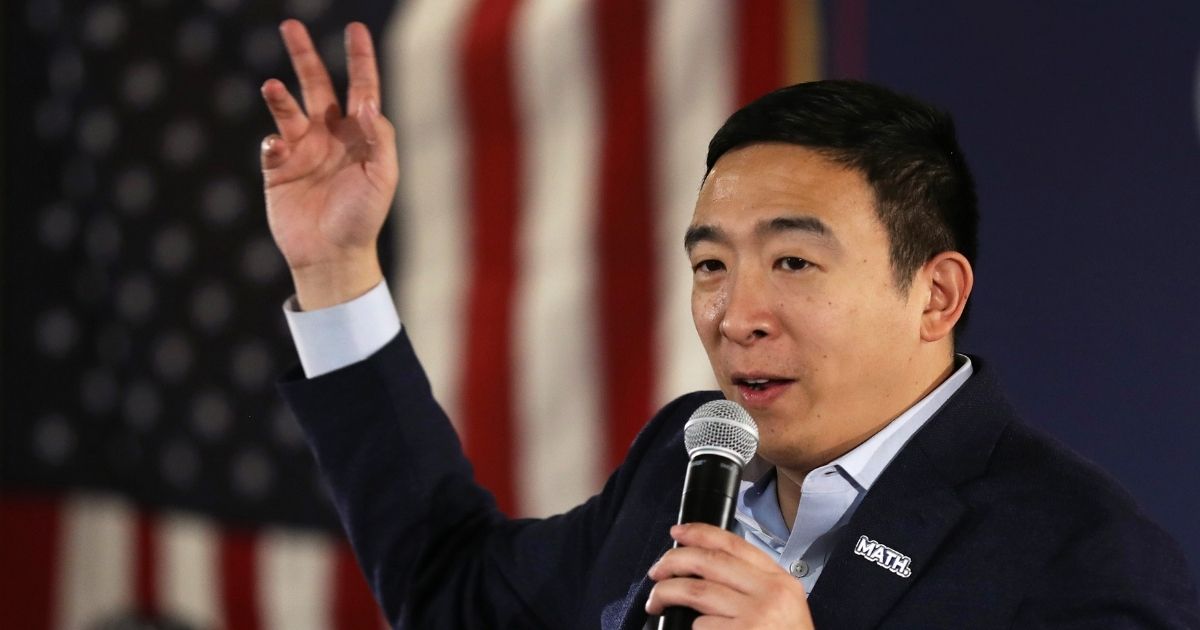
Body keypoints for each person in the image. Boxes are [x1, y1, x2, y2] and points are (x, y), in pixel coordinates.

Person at [260, 20, 1200, 629]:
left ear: (937, 296)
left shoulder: (1085, 559)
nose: (736, 316)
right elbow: (454, 593)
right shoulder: (682, 462)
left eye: (793, 262)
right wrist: (335, 271)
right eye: (711, 265)